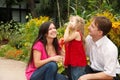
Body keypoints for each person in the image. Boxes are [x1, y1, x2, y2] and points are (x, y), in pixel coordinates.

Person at [63, 15, 87, 80]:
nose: (69, 23)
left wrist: (67, 28)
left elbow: (65, 39)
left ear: (78, 24)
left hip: (78, 63)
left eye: (72, 21)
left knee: (77, 78)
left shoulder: (77, 33)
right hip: (74, 62)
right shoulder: (73, 34)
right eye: (69, 21)